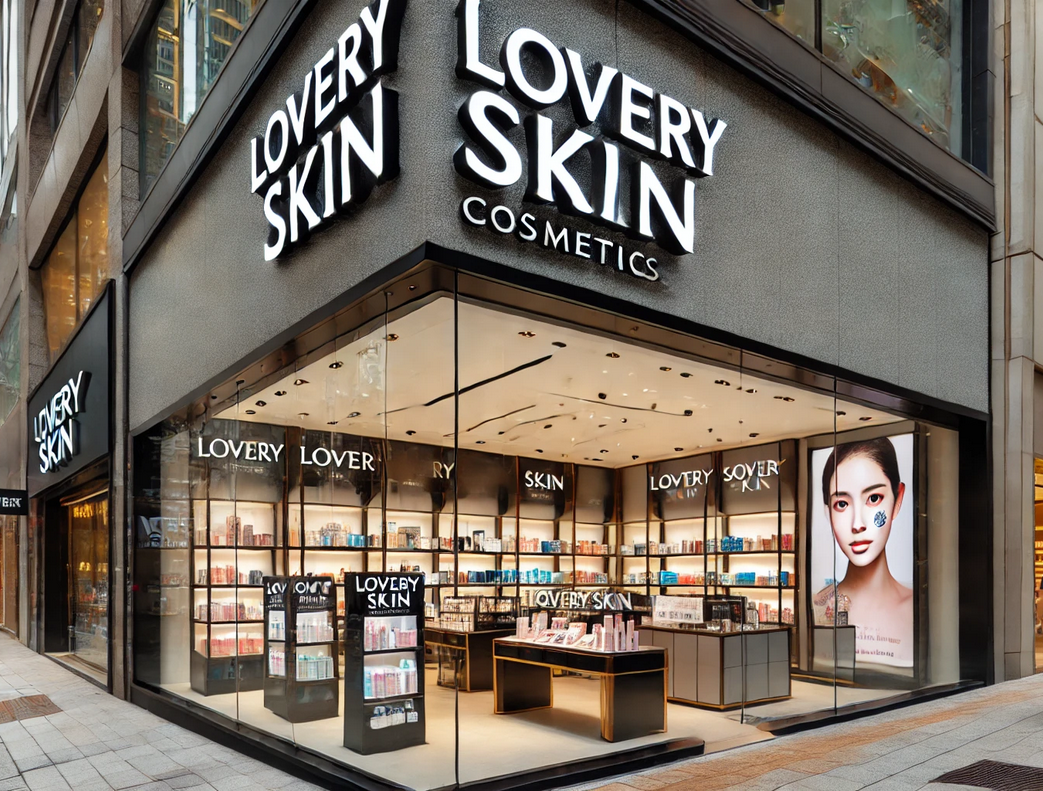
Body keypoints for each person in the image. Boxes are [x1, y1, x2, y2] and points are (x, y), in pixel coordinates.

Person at [815, 437, 913, 668]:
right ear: (828, 512)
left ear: (897, 499)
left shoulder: (919, 608)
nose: (857, 524)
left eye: (873, 498)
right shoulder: (818, 606)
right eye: (842, 504)